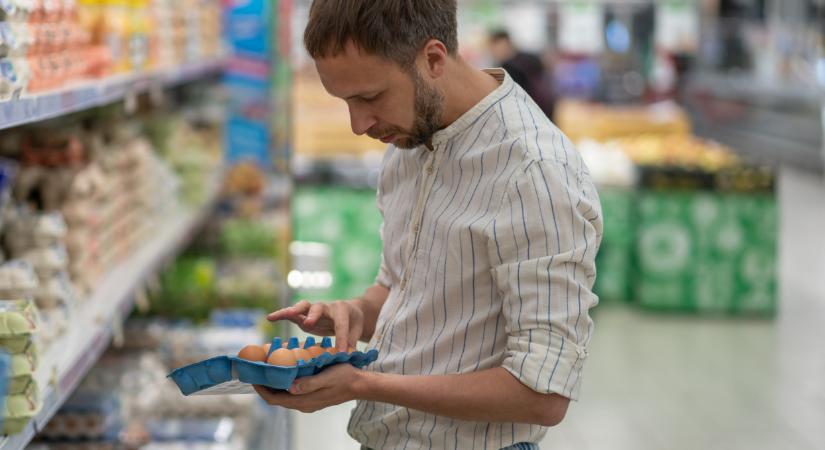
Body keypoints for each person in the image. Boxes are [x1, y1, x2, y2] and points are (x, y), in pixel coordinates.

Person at [258, 2, 602, 449]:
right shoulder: (410, 141)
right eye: (345, 101)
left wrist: (364, 384)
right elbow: (400, 288)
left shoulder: (534, 172)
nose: (358, 125)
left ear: (434, 59)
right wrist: (355, 314)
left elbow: (541, 393)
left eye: (370, 97)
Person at [488, 29, 556, 121]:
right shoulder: (529, 57)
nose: (493, 51)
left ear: (505, 43)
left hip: (531, 113)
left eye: (495, 46)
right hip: (544, 110)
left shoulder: (509, 68)